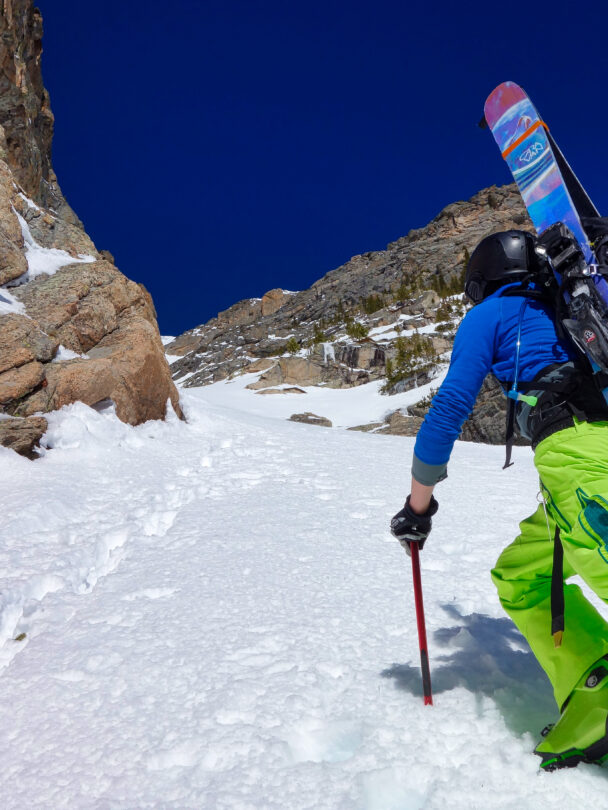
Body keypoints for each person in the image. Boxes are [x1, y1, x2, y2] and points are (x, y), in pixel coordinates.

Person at [390, 229, 608, 771]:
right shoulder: (577, 311)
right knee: (522, 576)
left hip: (576, 462)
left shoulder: (488, 316)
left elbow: (447, 412)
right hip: (585, 458)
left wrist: (418, 507)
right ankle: (597, 690)